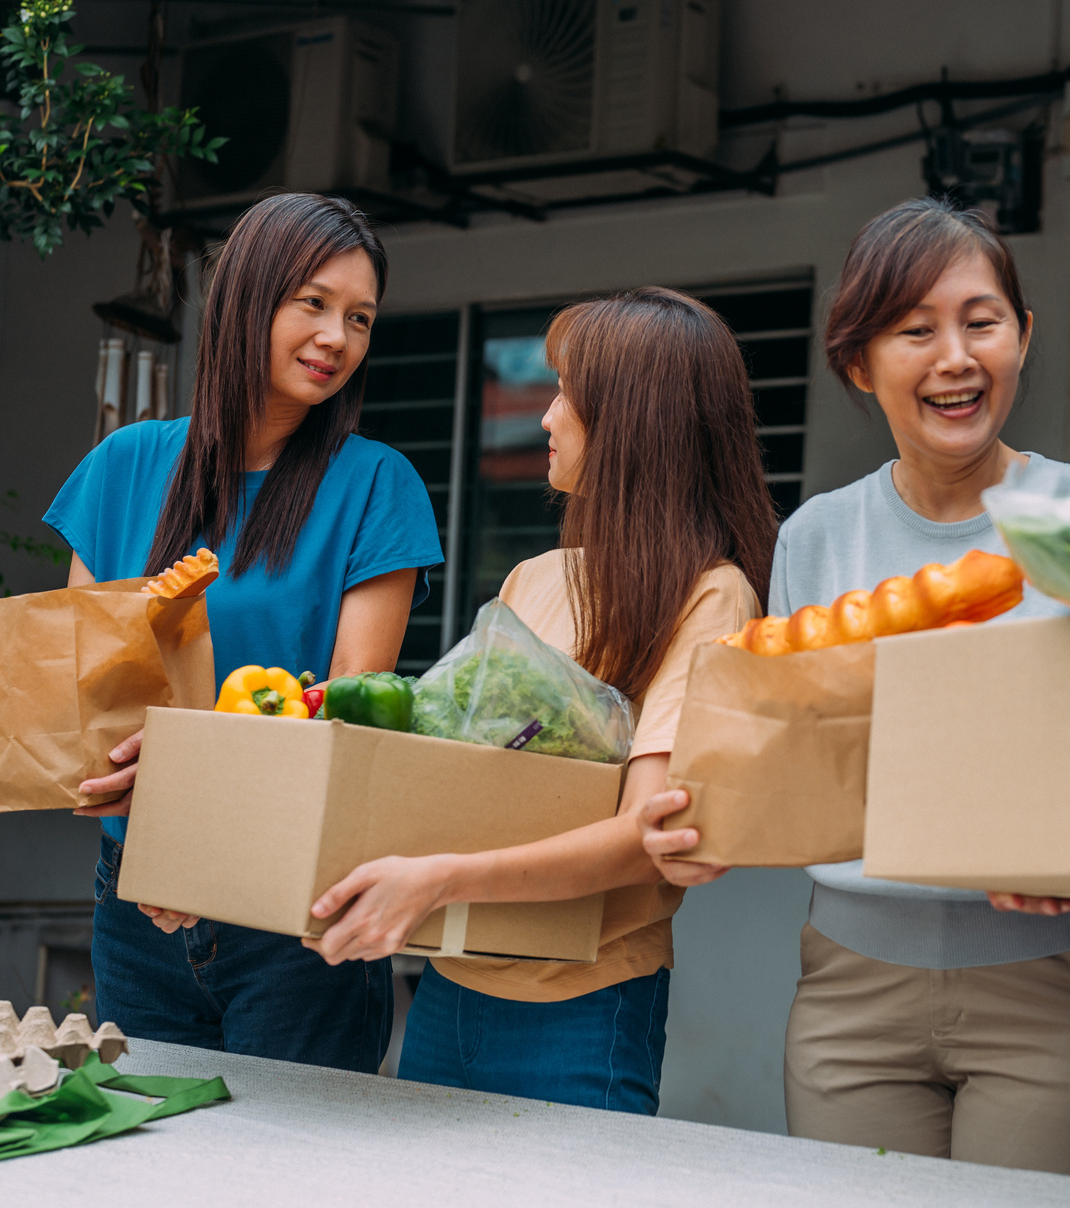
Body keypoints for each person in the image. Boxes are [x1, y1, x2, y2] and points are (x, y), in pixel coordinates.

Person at [642, 198, 1070, 1182]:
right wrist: (701, 819)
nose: (954, 355)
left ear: (1025, 335)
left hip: (1056, 979)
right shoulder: (817, 536)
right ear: (857, 361)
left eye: (981, 320)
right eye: (914, 330)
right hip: (850, 989)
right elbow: (801, 761)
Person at [300, 287, 774, 1115]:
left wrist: (439, 878)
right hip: (451, 982)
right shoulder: (535, 578)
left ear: (632, 422)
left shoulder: (714, 595)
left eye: (567, 395)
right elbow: (456, 772)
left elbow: (644, 836)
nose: (546, 417)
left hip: (584, 1005)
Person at [37, 193, 442, 1070]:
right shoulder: (123, 466)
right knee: (153, 1164)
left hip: (296, 903)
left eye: (360, 318)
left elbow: (347, 721)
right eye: (313, 302)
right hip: (135, 896)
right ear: (245, 297)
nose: (337, 336)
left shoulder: (377, 485)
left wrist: (200, 838)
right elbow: (85, 691)